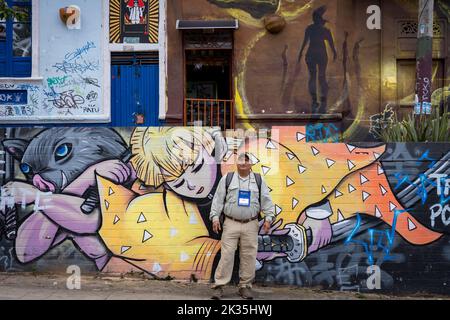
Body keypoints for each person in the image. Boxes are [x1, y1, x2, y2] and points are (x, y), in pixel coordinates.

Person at [210, 153, 275, 300]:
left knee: (249, 256)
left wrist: (269, 218)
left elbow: (266, 200)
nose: (243, 163)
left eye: (247, 160)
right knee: (226, 255)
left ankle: (244, 287)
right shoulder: (227, 178)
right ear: (236, 163)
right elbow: (218, 199)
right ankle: (219, 286)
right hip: (230, 223)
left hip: (251, 224)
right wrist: (215, 217)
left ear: (251, 164)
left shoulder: (258, 180)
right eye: (240, 160)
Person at [297, 6, 337, 114]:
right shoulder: (324, 30)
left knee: (314, 77)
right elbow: (331, 44)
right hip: (320, 54)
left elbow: (305, 42)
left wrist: (300, 53)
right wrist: (334, 52)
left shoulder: (310, 29)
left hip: (312, 54)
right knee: (320, 77)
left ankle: (316, 100)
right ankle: (320, 100)